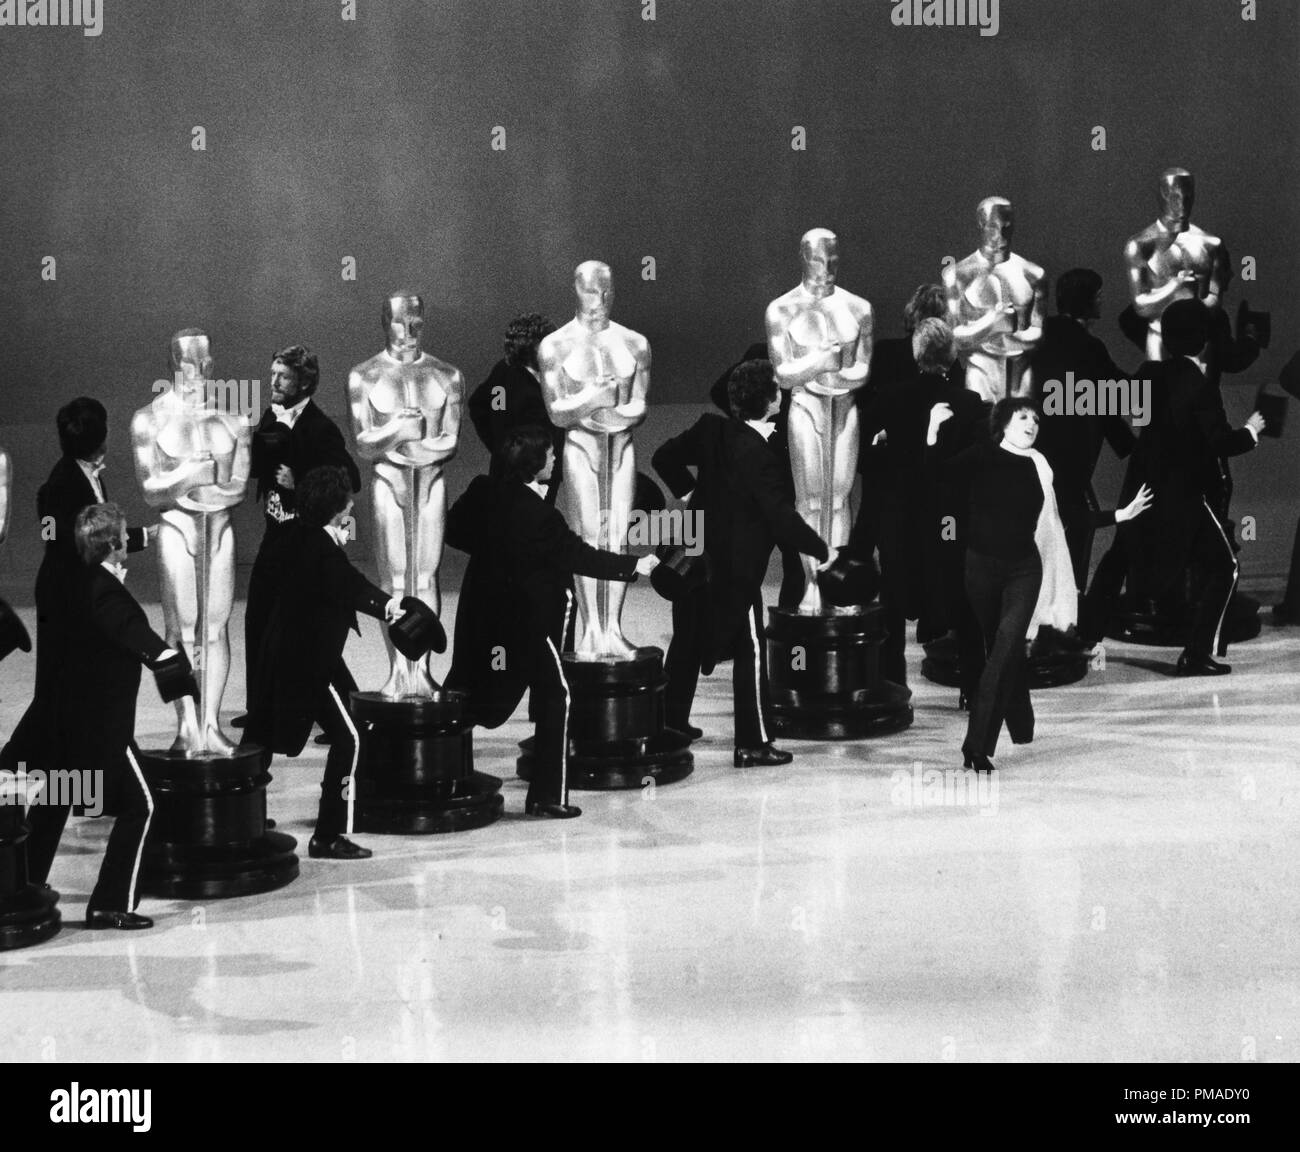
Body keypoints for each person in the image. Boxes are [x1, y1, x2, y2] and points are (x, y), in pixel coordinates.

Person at [445, 426, 659, 818]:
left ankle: (444, 777)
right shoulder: (541, 517)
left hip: (481, 617)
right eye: (549, 455)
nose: (556, 459)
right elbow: (580, 557)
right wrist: (634, 565)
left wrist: (495, 552)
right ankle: (547, 797)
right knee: (557, 696)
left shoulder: (483, 492)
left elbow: (455, 531)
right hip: (525, 622)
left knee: (465, 691)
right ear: (533, 464)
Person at [927, 397, 1150, 770]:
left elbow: (1067, 515)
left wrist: (1119, 515)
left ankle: (976, 747)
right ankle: (1022, 720)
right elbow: (936, 479)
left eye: (1036, 419)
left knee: (1003, 650)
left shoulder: (1040, 465)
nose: (1032, 423)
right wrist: (932, 431)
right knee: (1003, 649)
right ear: (1004, 422)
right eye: (1024, 416)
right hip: (980, 569)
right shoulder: (982, 454)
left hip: (1023, 571)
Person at [652, 359, 835, 765]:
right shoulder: (761, 455)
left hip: (693, 554)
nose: (782, 393)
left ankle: (670, 725)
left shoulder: (710, 429)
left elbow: (664, 456)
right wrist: (823, 550)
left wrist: (692, 496)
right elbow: (781, 518)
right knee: (751, 649)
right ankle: (752, 743)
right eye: (777, 388)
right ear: (770, 399)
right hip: (733, 571)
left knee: (685, 640)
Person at [29, 503, 186, 930]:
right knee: (143, 805)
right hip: (103, 728)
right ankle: (110, 903)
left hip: (64, 726)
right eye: (123, 537)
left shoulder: (75, 581)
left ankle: (24, 888)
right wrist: (172, 662)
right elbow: (136, 637)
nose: (127, 542)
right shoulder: (107, 592)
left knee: (56, 799)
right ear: (115, 546)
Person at [244, 466, 406, 860]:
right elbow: (348, 583)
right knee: (349, 737)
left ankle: (242, 819)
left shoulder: (300, 536)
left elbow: (341, 570)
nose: (352, 504)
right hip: (309, 661)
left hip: (283, 652)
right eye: (348, 501)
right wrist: (387, 606)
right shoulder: (319, 547)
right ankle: (329, 834)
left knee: (259, 738)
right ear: (338, 508)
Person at [0, 398, 155, 776]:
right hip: (66, 597)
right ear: (100, 440)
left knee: (76, 684)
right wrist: (141, 538)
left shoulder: (87, 475)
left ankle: (112, 757)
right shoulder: (61, 484)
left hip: (79, 590)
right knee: (57, 689)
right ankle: (14, 763)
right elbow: (75, 541)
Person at [1119, 299, 1264, 674]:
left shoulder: (1147, 373)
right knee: (1224, 566)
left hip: (1147, 488)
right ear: (1203, 340)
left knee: (1122, 556)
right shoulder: (1200, 387)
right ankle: (1197, 653)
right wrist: (1251, 431)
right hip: (1186, 493)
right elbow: (1218, 443)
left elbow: (1134, 414)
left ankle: (1086, 635)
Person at [236, 346, 361, 726]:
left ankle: (345, 714)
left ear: (304, 382)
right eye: (272, 373)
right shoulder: (271, 417)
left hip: (306, 541)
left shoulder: (322, 427)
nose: (273, 381)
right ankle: (260, 709)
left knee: (308, 631)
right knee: (258, 616)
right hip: (277, 534)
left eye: (283, 376)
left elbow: (349, 479)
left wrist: (300, 477)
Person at [856, 319, 980, 689]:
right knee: (961, 596)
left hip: (899, 512)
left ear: (916, 354)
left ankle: (894, 685)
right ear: (953, 354)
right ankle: (973, 689)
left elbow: (869, 460)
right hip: (949, 517)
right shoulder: (968, 403)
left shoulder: (890, 398)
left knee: (892, 599)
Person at [467, 313, 562, 500]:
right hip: (514, 474)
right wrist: (500, 448)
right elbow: (487, 411)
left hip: (548, 471)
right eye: (545, 343)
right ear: (528, 346)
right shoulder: (503, 376)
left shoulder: (554, 374)